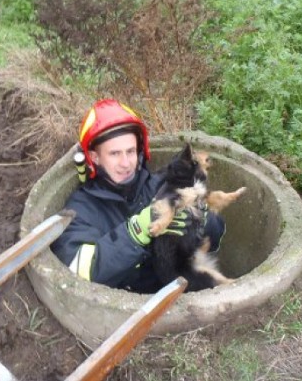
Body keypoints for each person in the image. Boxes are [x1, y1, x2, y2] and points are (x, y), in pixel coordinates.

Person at [50, 99, 227, 293]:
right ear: (95, 157)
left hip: (183, 294)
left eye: (130, 151)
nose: (125, 163)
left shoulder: (160, 184)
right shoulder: (81, 210)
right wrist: (135, 232)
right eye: (115, 153)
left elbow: (214, 239)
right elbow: (77, 270)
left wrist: (201, 219)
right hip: (127, 308)